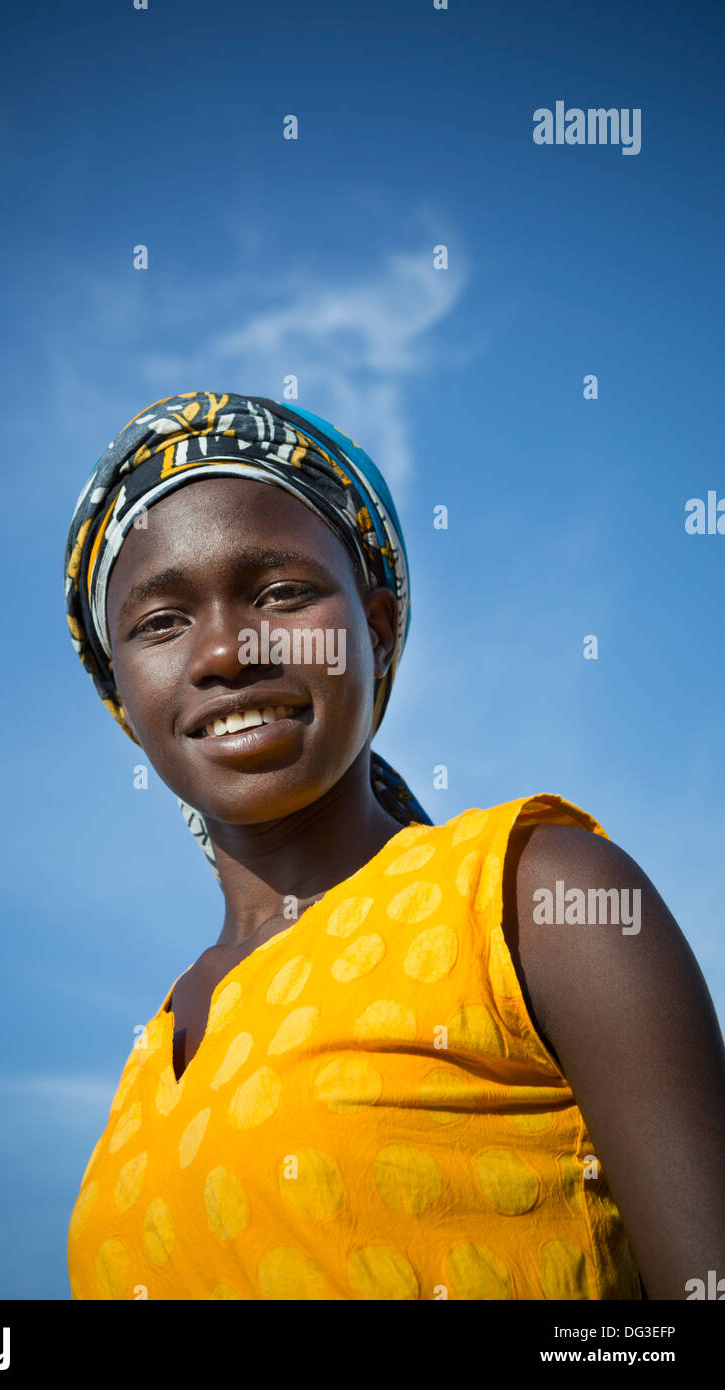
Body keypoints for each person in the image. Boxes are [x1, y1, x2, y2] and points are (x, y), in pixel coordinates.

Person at [63, 390, 725, 1301]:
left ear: (374, 632)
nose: (224, 651)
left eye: (282, 592)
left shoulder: (529, 900)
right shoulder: (149, 1059)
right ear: (122, 699)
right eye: (160, 622)